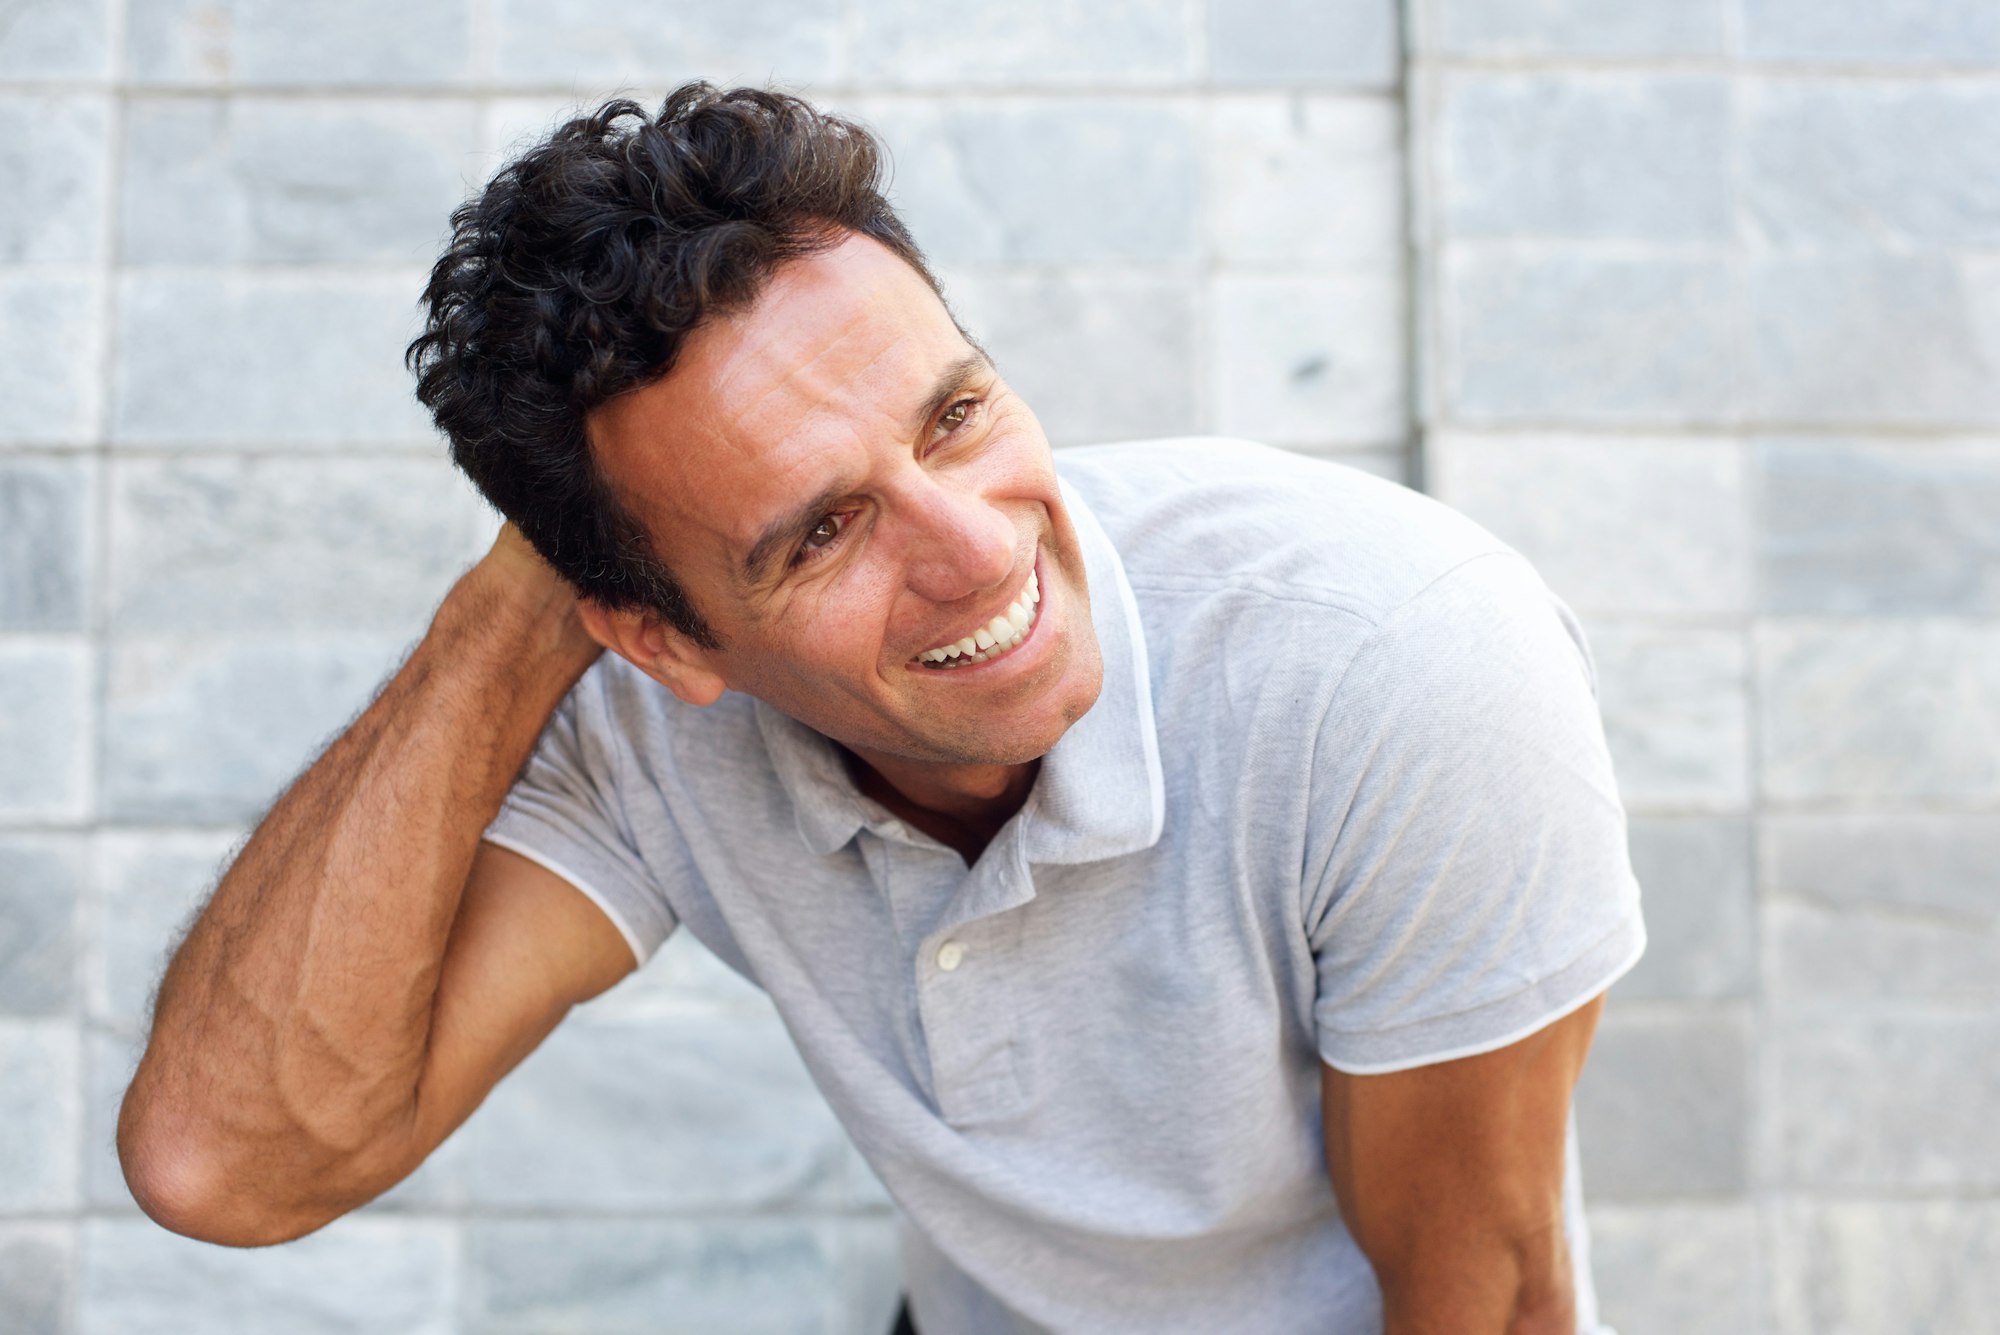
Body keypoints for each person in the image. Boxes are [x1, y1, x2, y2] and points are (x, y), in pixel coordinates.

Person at [117, 84, 1645, 1334]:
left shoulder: (1402, 666)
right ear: (658, 636)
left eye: (957, 415)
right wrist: (510, 615)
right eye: (821, 531)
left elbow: (1486, 1305)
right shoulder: (653, 722)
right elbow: (224, 1168)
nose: (983, 550)